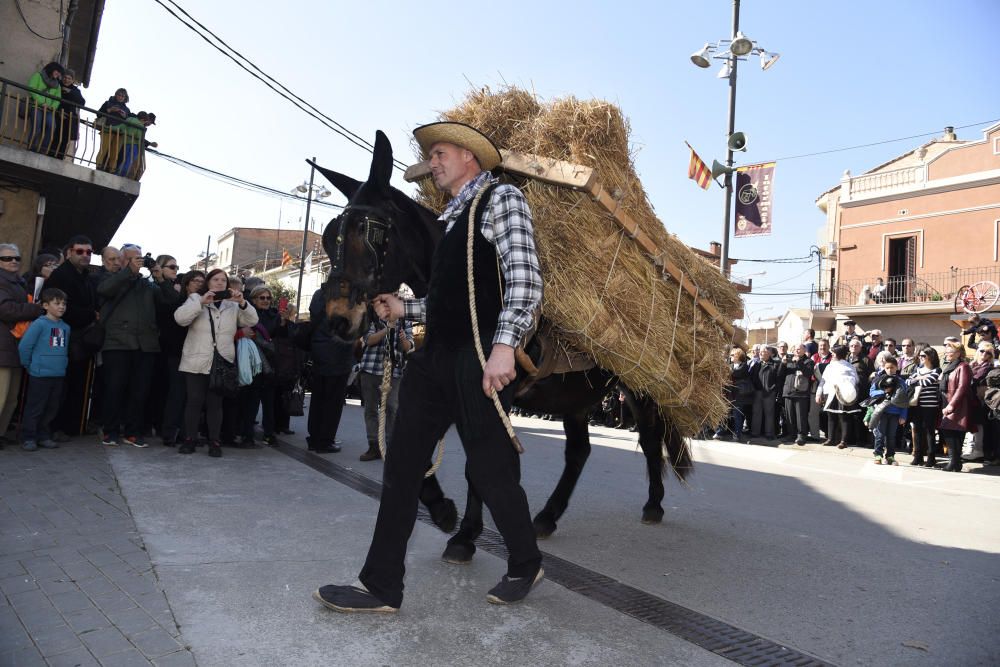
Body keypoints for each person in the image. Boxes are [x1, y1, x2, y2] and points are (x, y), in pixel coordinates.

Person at [315, 122, 544, 613]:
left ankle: (525, 562)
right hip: (434, 355)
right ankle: (381, 585)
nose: (432, 163)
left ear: (470, 157)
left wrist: (505, 348)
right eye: (431, 155)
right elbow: (450, 300)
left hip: (478, 356)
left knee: (491, 469)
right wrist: (405, 311)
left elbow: (525, 282)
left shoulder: (500, 200)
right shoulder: (450, 217)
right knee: (401, 463)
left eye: (439, 154)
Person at [97, 244, 180, 447]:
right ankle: (110, 430)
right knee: (114, 389)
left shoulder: (147, 284)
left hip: (145, 345)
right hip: (117, 343)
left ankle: (133, 431)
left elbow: (171, 302)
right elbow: (104, 290)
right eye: (132, 258)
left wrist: (160, 277)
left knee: (139, 391)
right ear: (122, 260)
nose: (138, 261)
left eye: (140, 258)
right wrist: (128, 273)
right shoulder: (111, 277)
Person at [174, 269, 257, 457]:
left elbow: (252, 320)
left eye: (223, 280)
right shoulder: (196, 298)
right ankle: (190, 439)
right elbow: (180, 319)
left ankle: (214, 441)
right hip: (196, 358)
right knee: (194, 401)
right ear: (208, 282)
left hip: (221, 361)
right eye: (215, 279)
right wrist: (201, 303)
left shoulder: (232, 304)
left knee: (215, 404)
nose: (220, 283)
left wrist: (243, 303)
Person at [43, 235, 98, 438]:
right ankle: (54, 427)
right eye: (80, 251)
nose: (85, 255)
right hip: (63, 337)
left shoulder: (85, 276)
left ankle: (70, 426)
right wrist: (91, 314)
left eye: (89, 252)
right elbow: (59, 308)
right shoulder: (61, 276)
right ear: (69, 253)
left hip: (80, 339)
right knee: (61, 385)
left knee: (76, 384)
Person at [0, 246, 46, 447]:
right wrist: (35, 309)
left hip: (15, 347)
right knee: (1, 395)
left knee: (11, 398)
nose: (13, 261)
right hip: (3, 347)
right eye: (7, 258)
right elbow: (6, 310)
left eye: (17, 258)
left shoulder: (19, 282)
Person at [17, 289, 71, 450]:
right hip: (39, 374)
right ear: (46, 305)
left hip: (58, 373)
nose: (61, 307)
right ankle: (28, 437)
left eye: (63, 303)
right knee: (35, 407)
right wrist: (29, 365)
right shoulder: (39, 324)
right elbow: (25, 347)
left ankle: (43, 435)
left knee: (51, 408)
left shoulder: (66, 327)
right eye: (57, 303)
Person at [305, 289, 356, 453]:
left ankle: (314, 438)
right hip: (338, 354)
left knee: (318, 398)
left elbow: (313, 317)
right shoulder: (347, 298)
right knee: (333, 402)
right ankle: (325, 440)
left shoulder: (319, 294)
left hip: (320, 351)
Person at [357, 315, 413, 460]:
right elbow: (369, 340)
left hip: (394, 372)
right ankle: (374, 446)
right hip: (370, 369)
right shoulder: (373, 315)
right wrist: (388, 328)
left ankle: (392, 447)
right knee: (370, 409)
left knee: (392, 409)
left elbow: (409, 347)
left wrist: (403, 340)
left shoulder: (404, 319)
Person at [158, 268, 201, 446]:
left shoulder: (206, 303)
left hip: (196, 355)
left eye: (202, 281)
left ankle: (187, 433)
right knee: (177, 394)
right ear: (187, 284)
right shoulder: (178, 302)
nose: (199, 284)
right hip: (177, 354)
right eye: (196, 281)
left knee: (193, 397)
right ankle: (169, 433)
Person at [939, 342, 975, 472]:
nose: (947, 354)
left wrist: (951, 405)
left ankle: (953, 461)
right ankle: (956, 463)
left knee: (950, 430)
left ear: (959, 353)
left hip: (958, 405)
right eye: (947, 351)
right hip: (948, 402)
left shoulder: (963, 366)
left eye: (950, 352)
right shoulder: (949, 367)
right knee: (953, 432)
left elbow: (962, 387)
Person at [817, 345, 861, 449]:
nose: (831, 355)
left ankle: (843, 441)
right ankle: (831, 439)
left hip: (843, 394)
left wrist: (845, 384)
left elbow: (856, 380)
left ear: (837, 354)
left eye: (833, 353)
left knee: (844, 417)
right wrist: (819, 393)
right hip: (830, 394)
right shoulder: (830, 366)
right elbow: (823, 381)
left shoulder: (849, 366)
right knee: (831, 417)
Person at [867, 357, 907, 465]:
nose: (890, 370)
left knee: (891, 436)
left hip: (895, 413)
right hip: (882, 412)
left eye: (892, 367)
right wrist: (884, 391)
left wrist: (903, 415)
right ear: (884, 368)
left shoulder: (901, 382)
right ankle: (878, 455)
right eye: (887, 367)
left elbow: (904, 400)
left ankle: (890, 456)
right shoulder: (879, 379)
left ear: (897, 367)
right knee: (880, 434)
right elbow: (871, 393)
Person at [909, 347, 942, 467]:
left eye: (923, 356)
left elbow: (926, 382)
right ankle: (918, 456)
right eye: (920, 356)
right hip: (917, 404)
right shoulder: (918, 369)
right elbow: (907, 381)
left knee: (929, 431)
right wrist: (918, 378)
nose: (921, 358)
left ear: (931, 357)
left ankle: (931, 458)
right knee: (917, 430)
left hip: (930, 405)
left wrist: (916, 380)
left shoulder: (937, 370)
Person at [715, 347, 753, 441]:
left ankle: (737, 434)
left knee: (737, 415)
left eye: (733, 355)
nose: (731, 356)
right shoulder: (731, 366)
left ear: (738, 356)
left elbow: (736, 373)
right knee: (724, 413)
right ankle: (720, 432)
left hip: (739, 395)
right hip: (729, 394)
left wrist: (726, 370)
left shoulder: (744, 366)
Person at [779, 343, 814, 445]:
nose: (797, 351)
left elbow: (808, 374)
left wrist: (799, 362)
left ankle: (801, 435)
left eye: (799, 349)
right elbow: (780, 375)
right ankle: (791, 434)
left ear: (804, 350)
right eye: (795, 349)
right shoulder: (789, 361)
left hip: (801, 394)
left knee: (801, 416)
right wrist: (782, 364)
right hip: (788, 392)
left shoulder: (809, 361)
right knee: (789, 416)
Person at [25, 62, 63, 154]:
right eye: (57, 71)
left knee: (52, 127)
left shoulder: (57, 85)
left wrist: (51, 107)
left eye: (59, 73)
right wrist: (42, 103)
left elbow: (58, 99)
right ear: (51, 68)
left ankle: (43, 149)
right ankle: (32, 147)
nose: (58, 74)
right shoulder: (38, 76)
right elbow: (31, 88)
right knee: (36, 127)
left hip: (49, 110)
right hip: (36, 106)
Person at [53, 69, 85, 160]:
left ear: (72, 80)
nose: (66, 80)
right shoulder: (57, 85)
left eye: (69, 78)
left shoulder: (75, 90)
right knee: (56, 135)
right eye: (65, 77)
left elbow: (82, 102)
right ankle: (51, 154)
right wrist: (59, 111)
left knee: (65, 138)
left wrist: (70, 93)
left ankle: (60, 157)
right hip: (57, 113)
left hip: (69, 117)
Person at [96, 88, 130, 172]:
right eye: (119, 95)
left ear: (125, 98)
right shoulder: (108, 103)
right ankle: (99, 165)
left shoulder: (127, 109)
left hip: (119, 132)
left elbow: (128, 121)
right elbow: (98, 114)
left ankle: (112, 169)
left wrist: (124, 116)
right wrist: (110, 110)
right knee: (103, 148)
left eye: (123, 96)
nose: (121, 97)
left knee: (115, 152)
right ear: (116, 95)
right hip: (108, 128)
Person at [750, 346, 779, 442]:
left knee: (769, 414)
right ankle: (755, 433)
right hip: (757, 392)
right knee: (756, 413)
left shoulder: (774, 364)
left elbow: (778, 378)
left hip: (769, 393)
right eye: (760, 352)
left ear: (769, 353)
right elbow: (752, 377)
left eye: (763, 352)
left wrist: (773, 388)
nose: (761, 353)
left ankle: (769, 434)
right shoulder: (756, 364)